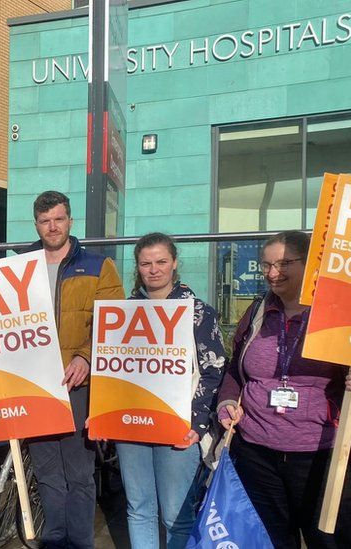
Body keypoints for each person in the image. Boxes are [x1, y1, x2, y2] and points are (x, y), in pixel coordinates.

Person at [216, 230, 351, 549]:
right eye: (266, 265)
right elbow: (237, 368)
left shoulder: (342, 313)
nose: (273, 273)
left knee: (331, 541)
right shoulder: (258, 311)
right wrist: (227, 402)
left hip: (323, 457)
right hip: (257, 452)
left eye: (284, 263)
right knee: (271, 539)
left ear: (311, 263)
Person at [23, 191, 124, 549]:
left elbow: (114, 323)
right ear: (36, 224)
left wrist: (85, 356)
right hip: (34, 386)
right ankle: (54, 539)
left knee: (79, 474)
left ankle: (80, 542)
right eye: (45, 220)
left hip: (78, 384)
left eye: (59, 219)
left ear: (70, 221)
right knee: (47, 472)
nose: (52, 226)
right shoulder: (21, 266)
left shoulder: (99, 266)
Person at [113, 233, 225, 549]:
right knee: (138, 510)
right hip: (131, 425)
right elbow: (111, 371)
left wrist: (195, 422)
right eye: (146, 263)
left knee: (177, 515)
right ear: (137, 267)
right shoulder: (121, 313)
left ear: (174, 263)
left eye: (161, 261)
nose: (154, 269)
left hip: (178, 425)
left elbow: (213, 370)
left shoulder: (199, 312)